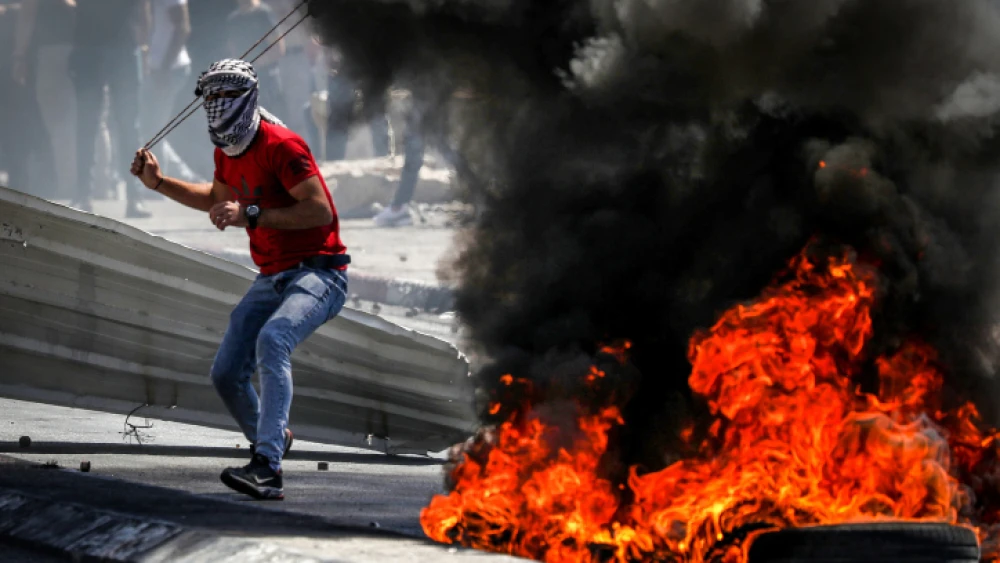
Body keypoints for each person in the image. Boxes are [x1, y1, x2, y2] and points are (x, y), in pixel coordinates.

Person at [130, 59, 349, 500]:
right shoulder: (227, 152)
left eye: (225, 97)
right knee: (226, 372)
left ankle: (267, 466)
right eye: (209, 98)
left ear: (247, 98)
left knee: (274, 338)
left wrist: (251, 214)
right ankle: (274, 438)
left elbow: (319, 209)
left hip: (319, 272)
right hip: (272, 275)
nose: (215, 106)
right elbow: (216, 199)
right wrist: (158, 184)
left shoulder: (282, 145)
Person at [71, 0, 151, 217]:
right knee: (88, 123)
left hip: (121, 47)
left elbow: (143, 7)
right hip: (89, 46)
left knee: (128, 125)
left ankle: (134, 198)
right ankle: (83, 195)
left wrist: (144, 47)